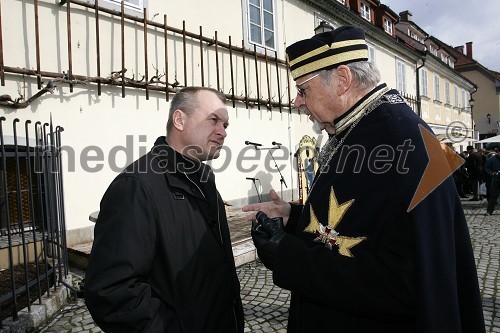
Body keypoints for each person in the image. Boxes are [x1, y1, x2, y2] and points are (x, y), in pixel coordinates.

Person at [243, 26, 485, 332]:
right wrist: (294, 217)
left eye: (303, 89)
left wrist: (286, 255)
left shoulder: (398, 140)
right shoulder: (367, 128)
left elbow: (402, 283)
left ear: (342, 80)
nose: (297, 102)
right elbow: (358, 225)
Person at [84, 87, 244, 333]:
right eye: (214, 120)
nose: (222, 132)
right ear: (179, 120)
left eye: (225, 125)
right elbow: (112, 292)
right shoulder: (136, 187)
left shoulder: (204, 182)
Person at [484, 147, 500, 215]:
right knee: (493, 196)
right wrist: (492, 173)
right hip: (496, 179)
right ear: (498, 152)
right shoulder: (491, 160)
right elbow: (487, 168)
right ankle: (489, 211)